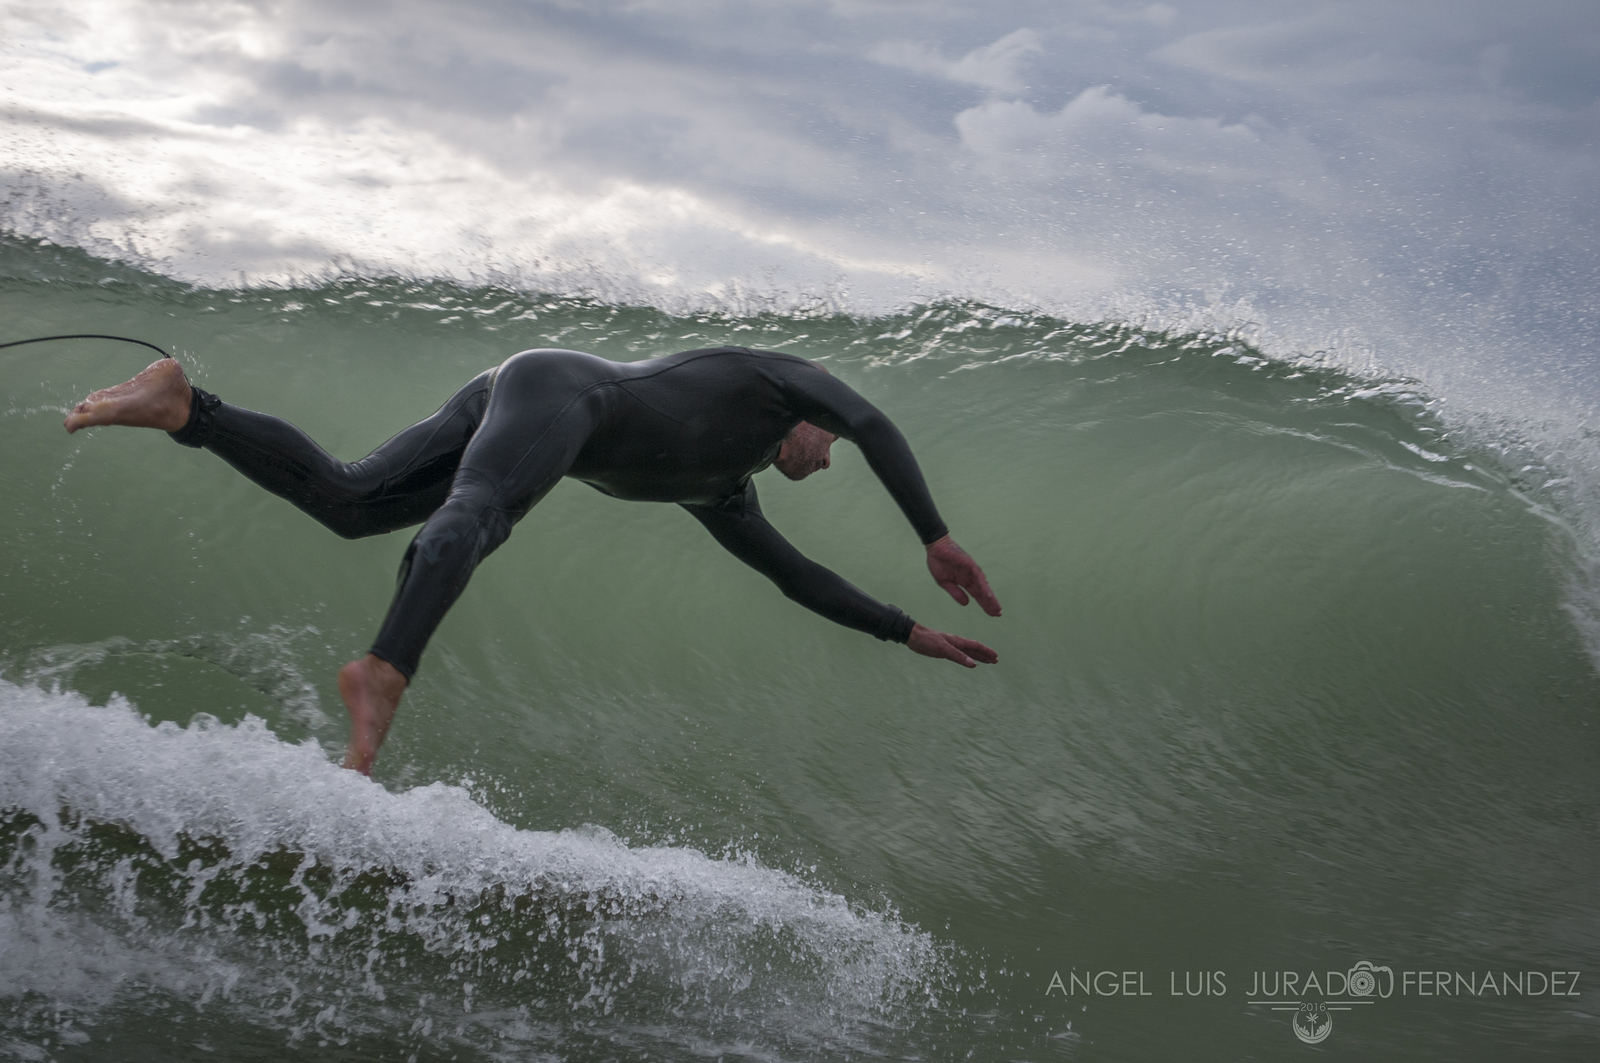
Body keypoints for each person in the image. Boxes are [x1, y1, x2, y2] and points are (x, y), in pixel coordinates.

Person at [64, 346, 1001, 773]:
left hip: (521, 400)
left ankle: (187, 406)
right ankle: (386, 667)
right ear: (809, 415)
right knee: (481, 509)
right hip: (559, 387)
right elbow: (871, 423)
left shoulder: (723, 489)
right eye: (825, 439)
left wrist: (905, 629)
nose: (831, 452)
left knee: (352, 504)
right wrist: (933, 535)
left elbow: (795, 576)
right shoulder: (780, 380)